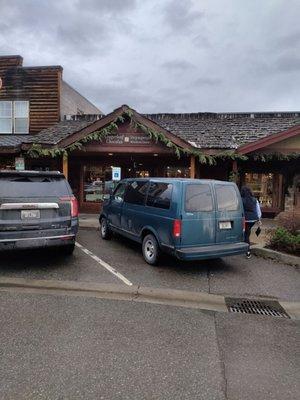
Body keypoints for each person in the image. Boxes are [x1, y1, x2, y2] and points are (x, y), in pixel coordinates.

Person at [240, 186, 260, 258]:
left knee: (246, 234)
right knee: (247, 233)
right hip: (253, 220)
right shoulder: (255, 200)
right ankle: (244, 247)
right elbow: (258, 211)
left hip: (245, 219)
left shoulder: (241, 200)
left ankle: (248, 251)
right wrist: (258, 219)